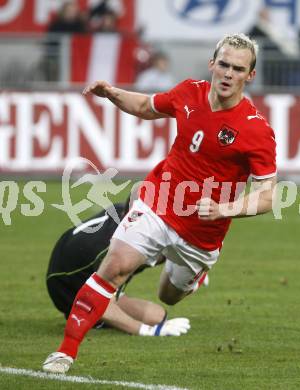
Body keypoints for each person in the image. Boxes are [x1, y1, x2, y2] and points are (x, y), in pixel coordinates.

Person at [43, 33, 277, 374]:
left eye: (238, 69)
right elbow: (145, 106)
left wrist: (225, 209)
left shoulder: (256, 130)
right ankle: (65, 353)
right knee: (115, 267)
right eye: (223, 64)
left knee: (169, 296)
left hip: (202, 233)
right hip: (158, 201)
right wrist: (111, 93)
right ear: (212, 64)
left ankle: (191, 275)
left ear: (249, 75)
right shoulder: (189, 93)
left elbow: (269, 194)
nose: (228, 73)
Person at [46, 200, 191, 337]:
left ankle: (104, 306)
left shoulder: (130, 218)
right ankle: (86, 312)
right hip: (66, 283)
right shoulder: (110, 249)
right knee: (148, 318)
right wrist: (147, 331)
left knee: (157, 315)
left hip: (77, 258)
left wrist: (187, 267)